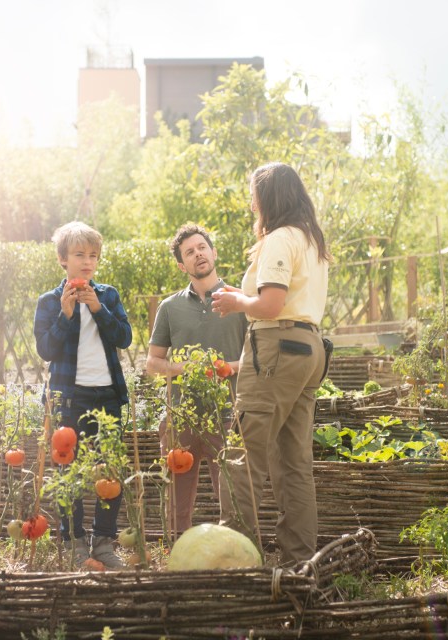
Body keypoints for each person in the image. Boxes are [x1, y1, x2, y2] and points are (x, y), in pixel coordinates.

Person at [211, 162, 330, 567]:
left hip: (277, 347)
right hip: (309, 349)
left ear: (269, 198)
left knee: (243, 455)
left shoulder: (280, 239)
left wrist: (235, 302)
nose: (251, 204)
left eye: (254, 196)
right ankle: (300, 563)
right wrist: (242, 296)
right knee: (294, 463)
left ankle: (236, 560)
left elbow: (270, 304)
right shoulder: (311, 241)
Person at [33, 220, 132, 570]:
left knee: (108, 473)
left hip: (107, 396)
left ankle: (104, 543)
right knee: (67, 474)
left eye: (93, 255)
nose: (87, 262)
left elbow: (124, 338)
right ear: (63, 259)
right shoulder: (49, 301)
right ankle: (74, 542)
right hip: (69, 398)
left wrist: (97, 310)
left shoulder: (108, 295)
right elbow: (46, 349)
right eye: (79, 255)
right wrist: (66, 314)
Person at [146, 223, 248, 533]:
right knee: (177, 500)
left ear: (214, 252)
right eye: (189, 252)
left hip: (229, 412)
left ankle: (237, 553)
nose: (198, 254)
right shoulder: (170, 308)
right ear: (182, 265)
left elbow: (256, 357)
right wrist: (186, 367)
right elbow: (152, 362)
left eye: (202, 247)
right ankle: (179, 555)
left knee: (233, 493)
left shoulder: (241, 301)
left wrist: (226, 368)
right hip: (182, 415)